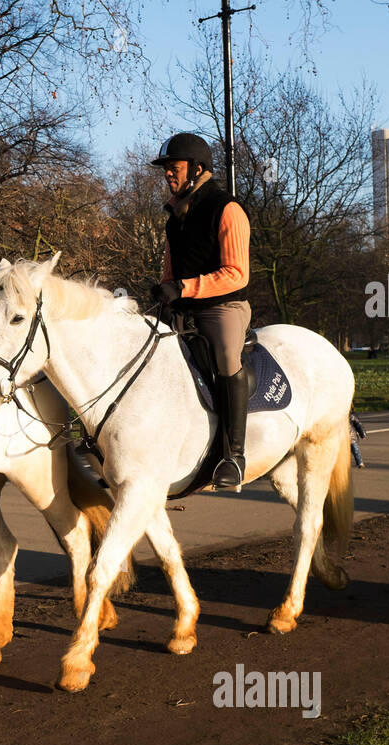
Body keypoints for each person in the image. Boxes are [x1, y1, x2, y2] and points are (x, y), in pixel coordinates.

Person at [146, 132, 252, 490]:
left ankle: (233, 456)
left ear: (197, 168)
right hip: (183, 306)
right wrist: (165, 289)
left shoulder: (228, 209)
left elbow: (236, 274)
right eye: (166, 170)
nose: (167, 175)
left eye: (172, 168)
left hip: (223, 307)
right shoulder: (174, 216)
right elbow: (170, 269)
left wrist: (184, 288)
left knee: (225, 357)